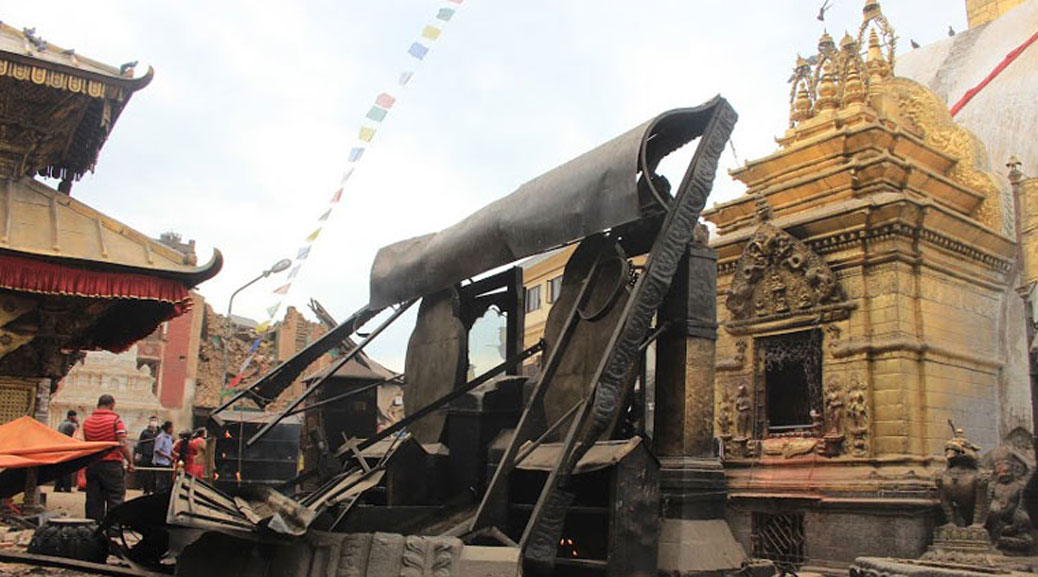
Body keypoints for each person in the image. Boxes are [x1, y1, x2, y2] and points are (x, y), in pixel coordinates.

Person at [82, 395, 134, 521]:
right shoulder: (116, 421)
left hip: (93, 464)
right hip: (112, 465)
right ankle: (114, 528)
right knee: (115, 498)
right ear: (112, 405)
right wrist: (130, 461)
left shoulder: (87, 422)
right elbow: (122, 443)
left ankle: (93, 527)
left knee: (93, 499)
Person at [54, 410, 78, 492]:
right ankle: (67, 488)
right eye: (75, 416)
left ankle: (57, 487)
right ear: (71, 417)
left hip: (60, 448)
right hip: (67, 448)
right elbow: (78, 432)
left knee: (60, 468)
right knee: (67, 469)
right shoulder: (70, 425)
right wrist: (77, 423)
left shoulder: (62, 424)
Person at [134, 417, 159, 495]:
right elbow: (140, 443)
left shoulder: (159, 432)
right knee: (145, 473)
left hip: (156, 455)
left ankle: (154, 489)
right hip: (146, 455)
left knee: (155, 473)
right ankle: (146, 489)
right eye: (152, 420)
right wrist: (138, 453)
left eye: (155, 420)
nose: (153, 422)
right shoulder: (145, 432)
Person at [153, 421, 175, 493]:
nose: (173, 429)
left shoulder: (169, 438)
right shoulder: (161, 437)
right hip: (161, 462)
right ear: (168, 428)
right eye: (171, 427)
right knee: (161, 482)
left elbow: (170, 449)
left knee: (167, 481)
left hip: (167, 463)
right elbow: (157, 450)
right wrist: (167, 456)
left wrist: (175, 455)